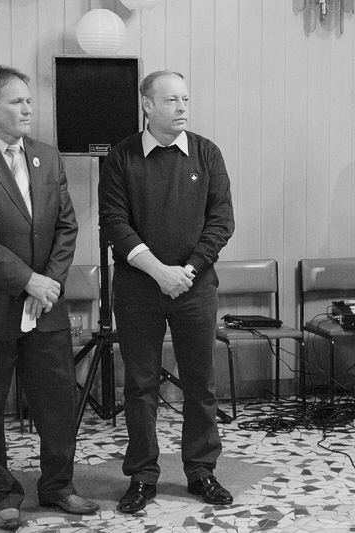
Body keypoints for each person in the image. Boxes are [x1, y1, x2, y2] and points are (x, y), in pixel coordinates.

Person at [0, 65, 99, 530]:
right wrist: (28, 280)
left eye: (29, 100)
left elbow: (66, 226)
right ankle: (1, 496)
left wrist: (48, 283)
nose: (28, 108)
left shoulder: (47, 156)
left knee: (58, 404)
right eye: (16, 101)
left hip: (45, 306)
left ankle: (58, 486)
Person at [99, 70, 235, 513]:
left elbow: (222, 220)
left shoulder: (206, 153)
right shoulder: (121, 157)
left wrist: (187, 271)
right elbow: (114, 222)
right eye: (172, 100)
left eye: (185, 99)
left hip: (195, 287)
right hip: (138, 288)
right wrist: (158, 271)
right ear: (147, 105)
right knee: (140, 385)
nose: (181, 108)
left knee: (201, 383)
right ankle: (142, 475)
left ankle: (201, 471)